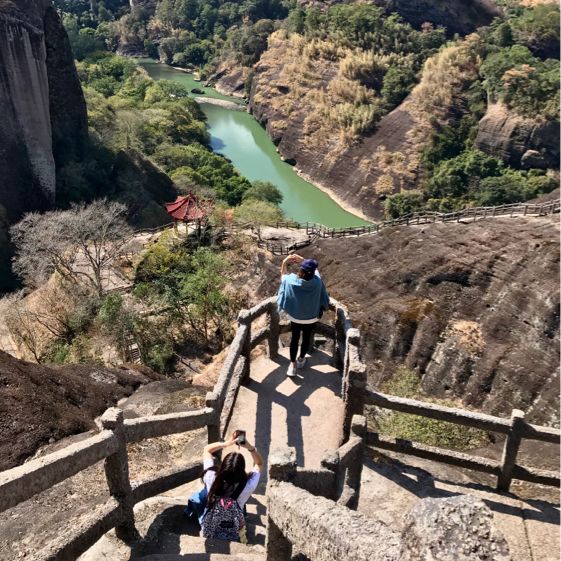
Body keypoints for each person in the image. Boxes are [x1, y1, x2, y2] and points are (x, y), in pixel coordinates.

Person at [200, 431, 263, 542]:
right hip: (234, 525)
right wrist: (249, 447)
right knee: (241, 508)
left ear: (223, 466)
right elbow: (259, 463)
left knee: (201, 496)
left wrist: (226, 443)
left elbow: (207, 449)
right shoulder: (249, 485)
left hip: (211, 525)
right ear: (242, 469)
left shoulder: (211, 477)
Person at [277, 254, 330, 377]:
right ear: (312, 272)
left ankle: (292, 365)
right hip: (311, 317)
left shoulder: (291, 281)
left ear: (301, 270)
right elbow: (316, 271)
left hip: (295, 317)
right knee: (306, 337)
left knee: (295, 339)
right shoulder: (317, 282)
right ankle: (301, 360)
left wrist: (285, 262)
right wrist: (304, 260)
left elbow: (283, 275)